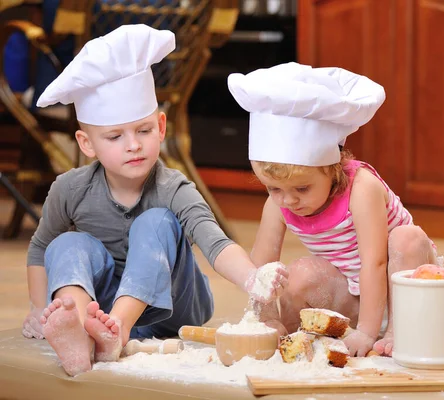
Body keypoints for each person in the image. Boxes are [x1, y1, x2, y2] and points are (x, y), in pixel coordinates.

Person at [20, 24, 288, 376]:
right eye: (115, 136)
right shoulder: (70, 189)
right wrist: (41, 308)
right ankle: (82, 330)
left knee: (156, 221)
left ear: (161, 127)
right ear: (87, 144)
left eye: (144, 130)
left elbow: (215, 242)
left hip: (174, 307)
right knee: (66, 242)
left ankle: (115, 331)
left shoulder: (174, 187)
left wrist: (253, 278)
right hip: (105, 301)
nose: (133, 144)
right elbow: (41, 248)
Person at [228, 62, 444, 357]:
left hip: (402, 283)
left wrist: (367, 332)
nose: (288, 201)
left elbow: (375, 263)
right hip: (354, 291)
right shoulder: (279, 203)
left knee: (405, 239)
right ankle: (299, 339)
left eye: (301, 189)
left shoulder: (361, 188)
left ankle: (397, 331)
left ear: (333, 168)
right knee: (297, 274)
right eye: (273, 189)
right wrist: (267, 318)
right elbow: (261, 269)